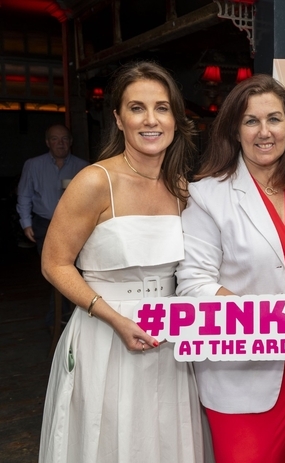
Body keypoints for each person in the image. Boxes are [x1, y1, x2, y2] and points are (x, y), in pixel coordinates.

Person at [39, 61, 208, 462]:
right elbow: (54, 263)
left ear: (176, 117)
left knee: (164, 440)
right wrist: (114, 318)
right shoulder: (95, 181)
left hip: (170, 339)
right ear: (118, 118)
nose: (151, 120)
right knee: (111, 439)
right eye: (137, 108)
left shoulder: (183, 186)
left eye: (162, 108)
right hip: (106, 335)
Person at [175, 74, 285, 463]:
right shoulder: (207, 194)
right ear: (234, 130)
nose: (265, 132)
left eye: (274, 119)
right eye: (251, 121)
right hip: (241, 367)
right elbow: (194, 284)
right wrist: (279, 327)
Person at [16, 124, 88, 254]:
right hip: (44, 224)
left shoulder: (83, 167)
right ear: (48, 143)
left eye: (65, 139)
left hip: (74, 225)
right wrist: (26, 223)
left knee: (74, 265)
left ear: (70, 142)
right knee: (48, 266)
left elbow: (90, 200)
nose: (60, 143)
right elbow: (24, 195)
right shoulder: (33, 165)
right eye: (54, 139)